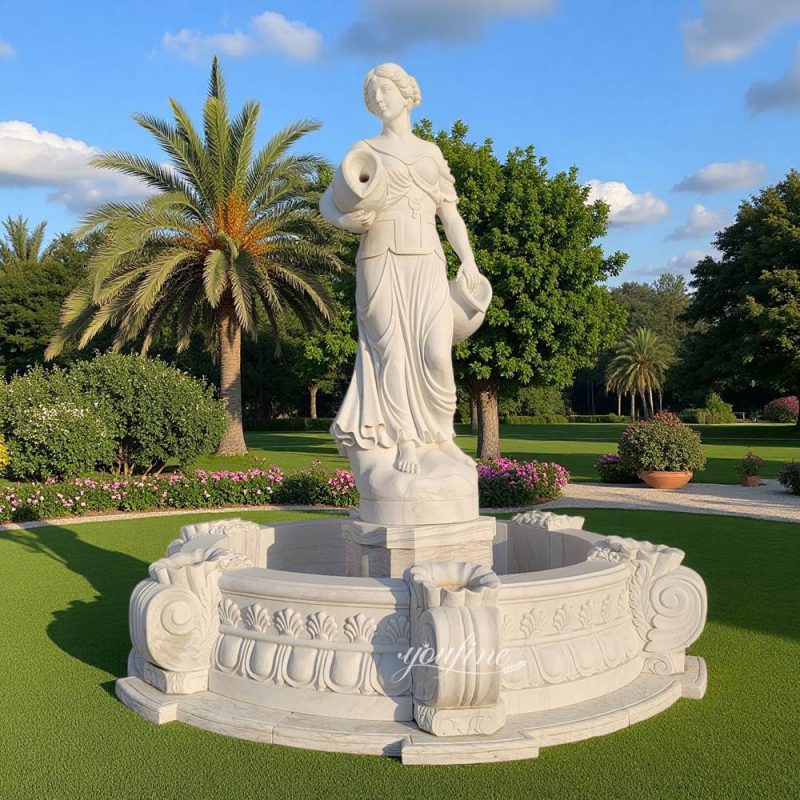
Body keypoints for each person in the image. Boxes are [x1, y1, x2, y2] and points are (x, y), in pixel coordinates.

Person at [321, 63, 484, 475]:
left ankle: (442, 437)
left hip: (428, 259)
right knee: (390, 352)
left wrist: (469, 260)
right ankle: (405, 438)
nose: (379, 99)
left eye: (385, 91)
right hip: (380, 259)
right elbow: (327, 203)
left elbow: (450, 214)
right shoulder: (364, 149)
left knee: (435, 353)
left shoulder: (430, 152)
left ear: (406, 93)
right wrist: (344, 222)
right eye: (372, 95)